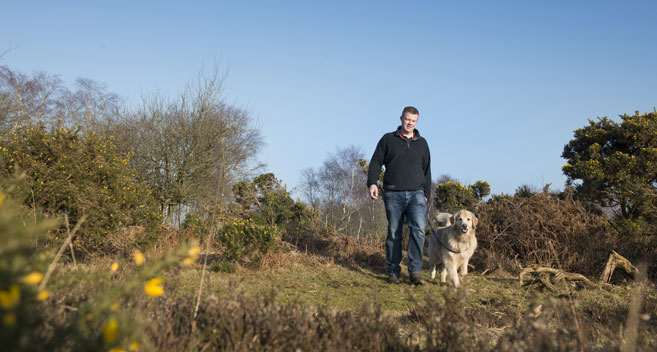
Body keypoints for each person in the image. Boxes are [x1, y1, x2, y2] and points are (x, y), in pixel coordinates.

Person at [367, 106, 431, 285]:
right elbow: (376, 162)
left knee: (418, 230)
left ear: (416, 122)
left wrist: (426, 194)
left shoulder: (423, 143)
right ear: (401, 118)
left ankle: (415, 272)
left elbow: (427, 171)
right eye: (407, 119)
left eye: (413, 120)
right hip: (393, 193)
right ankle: (393, 271)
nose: (410, 123)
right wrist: (372, 183)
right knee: (394, 233)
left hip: (417, 194)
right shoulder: (388, 139)